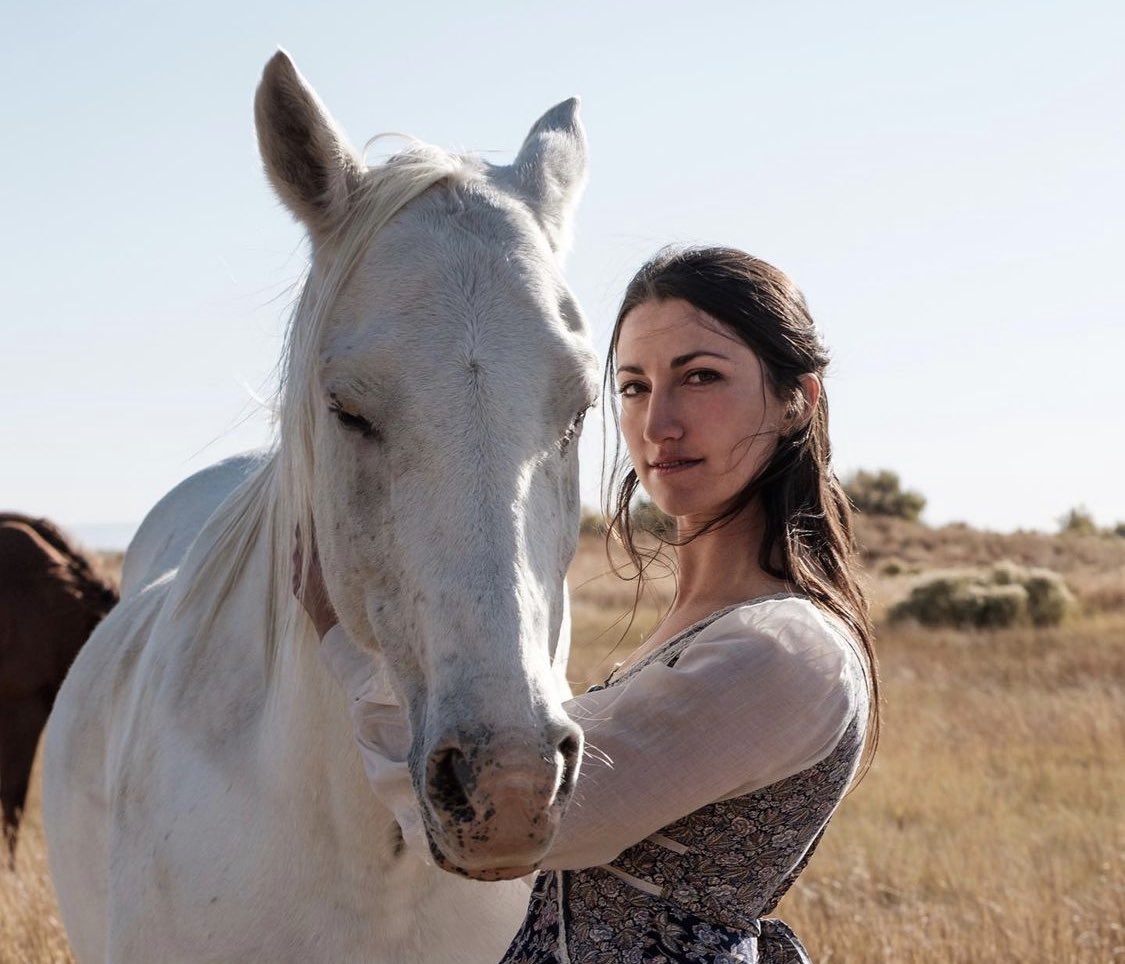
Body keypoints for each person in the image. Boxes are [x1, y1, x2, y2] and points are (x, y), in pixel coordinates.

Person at [295, 246, 879, 963]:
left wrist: (352, 654)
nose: (659, 422)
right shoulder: (707, 629)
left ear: (797, 401)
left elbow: (527, 827)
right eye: (633, 387)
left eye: (701, 377)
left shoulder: (784, 649)